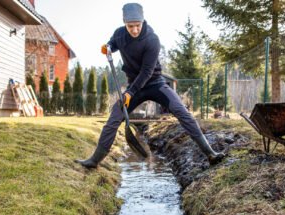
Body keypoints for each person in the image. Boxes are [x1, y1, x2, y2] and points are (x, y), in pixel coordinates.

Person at [75, 3, 224, 168]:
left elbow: (146, 72)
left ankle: (210, 153)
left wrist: (129, 93)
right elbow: (113, 43)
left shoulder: (152, 39)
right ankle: (94, 161)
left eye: (137, 25)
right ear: (124, 23)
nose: (134, 30)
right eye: (130, 26)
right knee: (114, 117)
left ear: (142, 21)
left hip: (155, 84)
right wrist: (108, 47)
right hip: (135, 86)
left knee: (182, 112)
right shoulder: (119, 33)